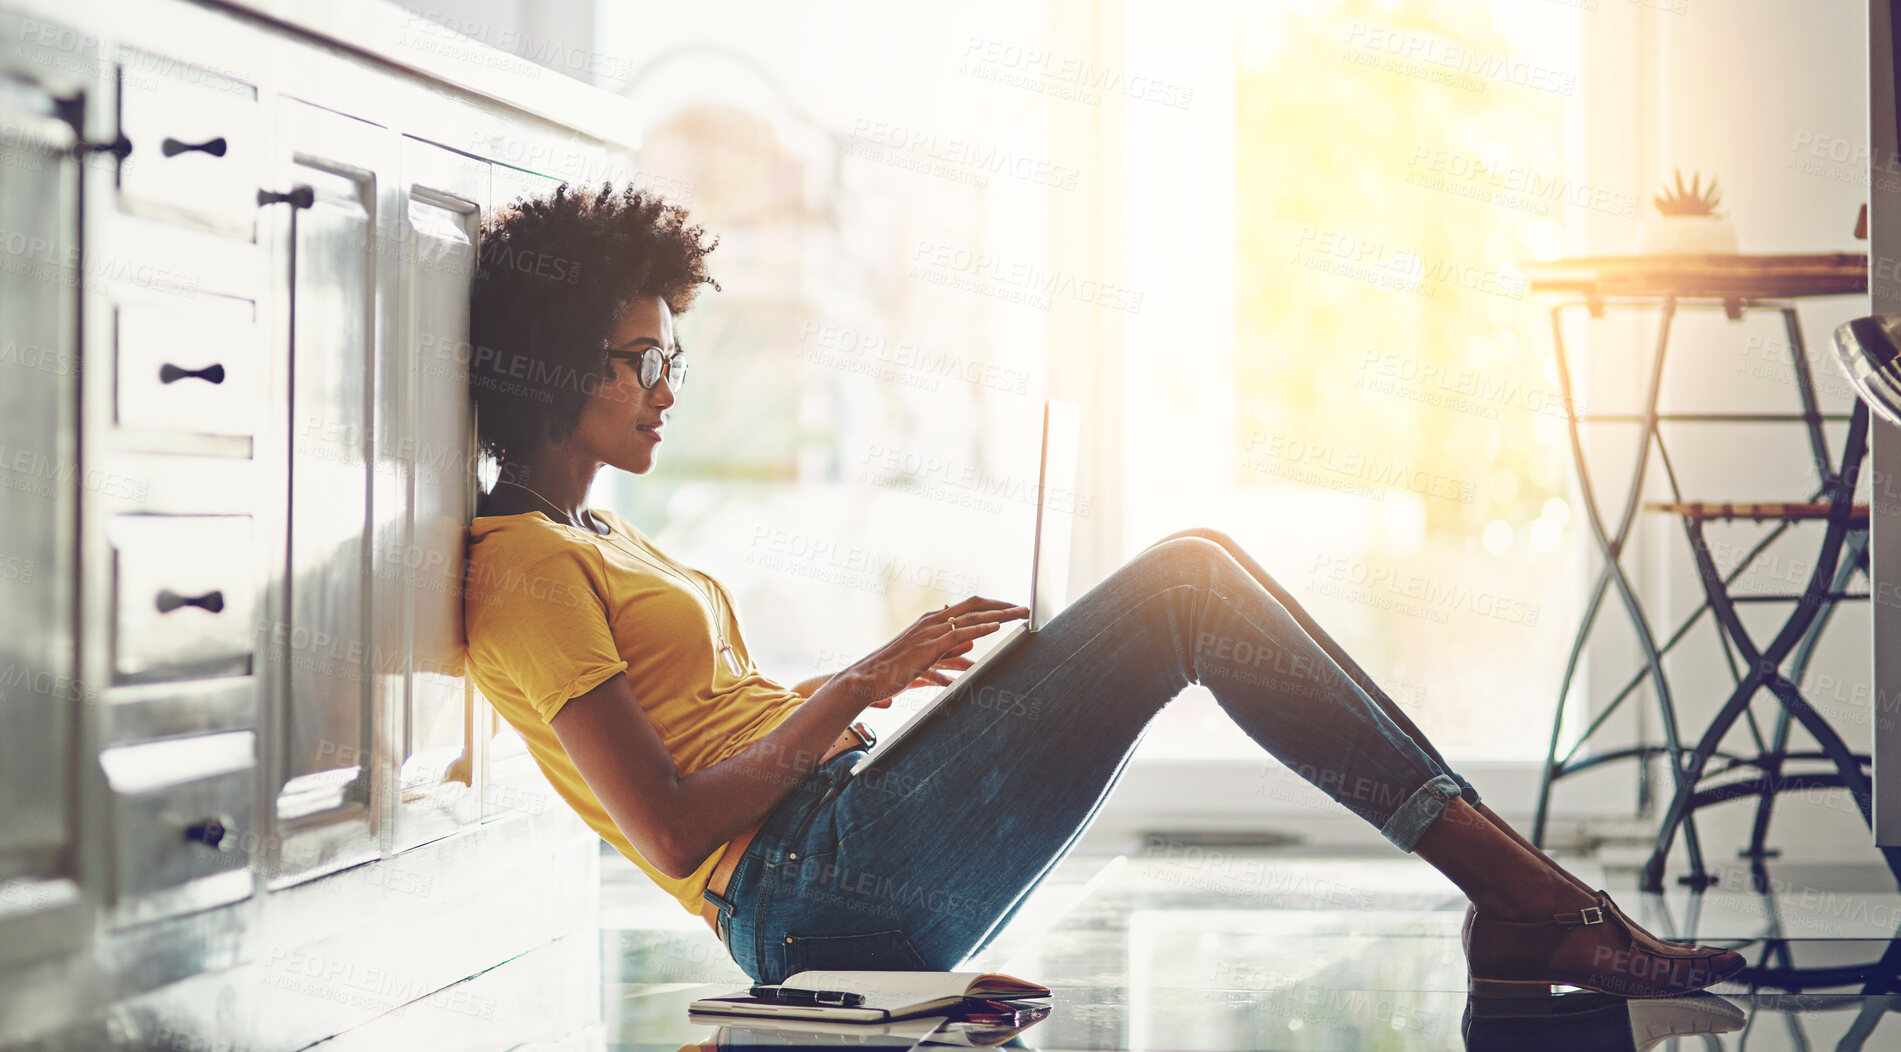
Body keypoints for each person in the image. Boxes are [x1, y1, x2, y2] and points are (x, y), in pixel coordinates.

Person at [462, 183, 1744, 998]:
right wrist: (857, 683)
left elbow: (719, 729)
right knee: (1184, 580)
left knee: (1201, 569)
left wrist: (875, 683)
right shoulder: (522, 564)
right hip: (803, 892)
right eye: (645, 359)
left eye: (673, 354)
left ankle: (1516, 892)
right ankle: (1528, 901)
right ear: (555, 364)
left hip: (833, 834)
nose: (669, 385)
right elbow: (675, 828)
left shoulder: (606, 533)